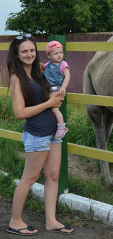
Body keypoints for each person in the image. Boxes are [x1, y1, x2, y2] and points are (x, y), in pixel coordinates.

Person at [6, 34, 74, 236]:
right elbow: (20, 113)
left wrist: (53, 96)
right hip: (36, 134)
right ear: (17, 55)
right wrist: (48, 103)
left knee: (53, 175)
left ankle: (51, 221)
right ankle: (15, 221)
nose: (29, 54)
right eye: (24, 51)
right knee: (30, 177)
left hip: (53, 132)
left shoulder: (40, 73)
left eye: (32, 50)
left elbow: (51, 90)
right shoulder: (17, 78)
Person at [44, 41, 70, 139]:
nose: (59, 55)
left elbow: (67, 77)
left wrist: (63, 87)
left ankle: (61, 126)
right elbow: (42, 68)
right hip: (48, 90)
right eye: (55, 53)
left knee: (55, 109)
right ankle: (52, 126)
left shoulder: (63, 64)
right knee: (47, 108)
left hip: (58, 89)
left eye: (60, 52)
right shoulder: (48, 65)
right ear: (49, 55)